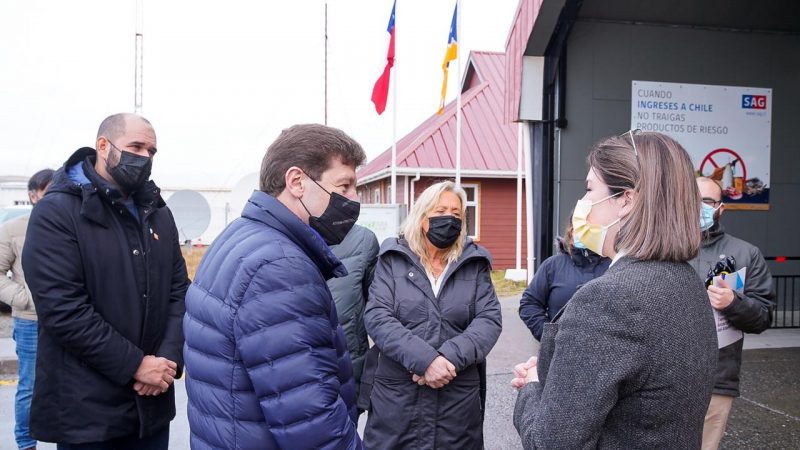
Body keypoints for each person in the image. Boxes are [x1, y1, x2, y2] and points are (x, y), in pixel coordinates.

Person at [512, 131, 717, 449]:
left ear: (626, 199)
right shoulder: (686, 281)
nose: (583, 204)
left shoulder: (611, 298)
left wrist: (533, 388)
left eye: (590, 189)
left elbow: (552, 443)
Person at [183, 124, 365, 449]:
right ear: (296, 182)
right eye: (344, 185)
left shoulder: (240, 235)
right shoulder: (280, 267)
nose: (354, 199)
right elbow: (313, 422)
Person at [22, 113, 189, 449]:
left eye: (152, 151)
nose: (144, 157)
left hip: (151, 406)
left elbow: (179, 292)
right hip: (87, 413)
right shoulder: (58, 212)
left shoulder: (156, 211)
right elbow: (63, 310)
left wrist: (167, 363)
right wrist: (135, 365)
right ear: (103, 146)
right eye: (136, 146)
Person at [362, 180, 503, 450]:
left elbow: (489, 320)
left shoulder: (474, 263)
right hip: (398, 398)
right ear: (422, 215)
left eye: (456, 214)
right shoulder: (393, 258)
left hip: (457, 400)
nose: (448, 219)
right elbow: (378, 317)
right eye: (440, 211)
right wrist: (425, 361)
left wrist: (448, 358)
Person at [690, 177, 774, 450]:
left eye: (706, 201)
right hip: (664, 378)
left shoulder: (746, 253)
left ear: (720, 209)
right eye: (692, 199)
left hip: (717, 379)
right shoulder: (664, 249)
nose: (698, 206)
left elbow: (763, 316)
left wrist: (733, 302)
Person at [0, 168, 54, 450]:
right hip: (31, 322)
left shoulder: (73, 226)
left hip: (72, 322)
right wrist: (24, 299)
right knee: (30, 388)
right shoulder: (13, 229)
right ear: (33, 196)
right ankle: (25, 444)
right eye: (48, 192)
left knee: (70, 387)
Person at [518, 221, 610, 341]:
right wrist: (550, 337)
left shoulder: (615, 266)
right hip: (558, 354)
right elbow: (529, 304)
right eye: (578, 227)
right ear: (570, 232)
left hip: (605, 355)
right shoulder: (553, 265)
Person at [327, 223, 379, 410]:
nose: (352, 198)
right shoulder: (273, 237)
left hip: (349, 373)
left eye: (352, 191)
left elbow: (377, 309)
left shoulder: (364, 241)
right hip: (294, 376)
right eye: (343, 190)